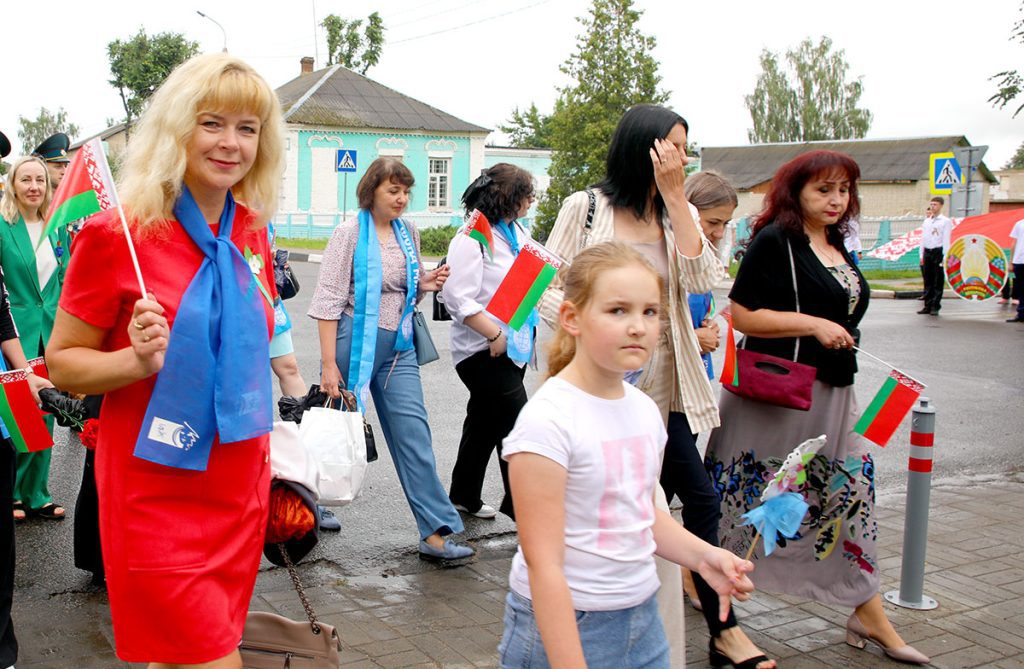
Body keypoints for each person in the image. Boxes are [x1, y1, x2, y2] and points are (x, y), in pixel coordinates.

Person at [46, 52, 283, 667]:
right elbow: (63, 365)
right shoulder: (114, 234)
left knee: (176, 655)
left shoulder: (251, 230)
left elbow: (260, 336)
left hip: (237, 487)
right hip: (155, 489)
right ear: (177, 128)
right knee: (207, 655)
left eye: (248, 128)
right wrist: (133, 361)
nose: (231, 143)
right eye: (212, 123)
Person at [540, 105, 770, 669]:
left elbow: (703, 279)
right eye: (671, 147)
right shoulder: (587, 207)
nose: (681, 158)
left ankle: (705, 626)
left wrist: (675, 199)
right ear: (641, 147)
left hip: (664, 385)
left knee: (686, 496)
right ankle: (626, 621)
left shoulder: (678, 213)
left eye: (685, 149)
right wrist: (597, 336)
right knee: (641, 498)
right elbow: (546, 283)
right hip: (598, 381)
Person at [703, 150, 930, 665]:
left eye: (843, 190)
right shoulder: (775, 240)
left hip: (831, 392)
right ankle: (703, 586)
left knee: (848, 500)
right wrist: (811, 325)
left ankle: (865, 610)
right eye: (822, 190)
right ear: (796, 192)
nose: (835, 200)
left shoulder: (837, 243)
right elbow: (742, 314)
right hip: (777, 398)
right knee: (744, 505)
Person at [498, 241, 755, 669]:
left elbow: (640, 514)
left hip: (642, 618)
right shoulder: (547, 421)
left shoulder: (642, 410)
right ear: (572, 318)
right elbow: (544, 567)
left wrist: (703, 557)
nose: (637, 326)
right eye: (618, 310)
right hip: (566, 628)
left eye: (649, 312)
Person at [309, 157, 474, 562]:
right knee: (332, 428)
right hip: (354, 343)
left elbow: (406, 291)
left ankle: (435, 531)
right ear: (372, 191)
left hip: (398, 348)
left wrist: (426, 284)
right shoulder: (348, 233)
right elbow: (328, 300)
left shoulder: (408, 231)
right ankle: (308, 505)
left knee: (414, 435)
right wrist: (329, 365)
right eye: (393, 191)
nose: (402, 199)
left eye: (405, 192)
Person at [441, 163, 537, 521]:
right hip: (482, 351)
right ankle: (527, 511)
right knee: (518, 425)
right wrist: (494, 334)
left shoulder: (515, 231)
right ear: (507, 198)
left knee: (483, 421)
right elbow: (457, 297)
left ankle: (464, 494)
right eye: (526, 194)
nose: (531, 201)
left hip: (512, 348)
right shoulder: (473, 236)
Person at [0, 155, 70, 522]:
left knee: (47, 411)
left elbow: (66, 279)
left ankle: (37, 493)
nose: (33, 187)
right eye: (25, 180)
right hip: (15, 332)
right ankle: (12, 492)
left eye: (39, 180)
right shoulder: (2, 226)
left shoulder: (55, 225)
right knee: (18, 414)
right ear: (13, 185)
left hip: (52, 332)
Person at [919, 196, 952, 315]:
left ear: (941, 206)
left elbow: (946, 239)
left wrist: (945, 256)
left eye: (935, 204)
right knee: (928, 279)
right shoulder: (927, 221)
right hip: (927, 251)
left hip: (938, 251)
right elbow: (923, 238)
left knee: (937, 280)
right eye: (931, 204)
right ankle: (927, 305)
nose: (933, 207)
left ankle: (935, 306)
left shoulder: (945, 221)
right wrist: (921, 254)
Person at [1007, 216, 1024, 323]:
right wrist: (1011, 261)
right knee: (1021, 289)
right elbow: (1014, 243)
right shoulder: (1019, 224)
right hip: (1020, 260)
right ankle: (1021, 314)